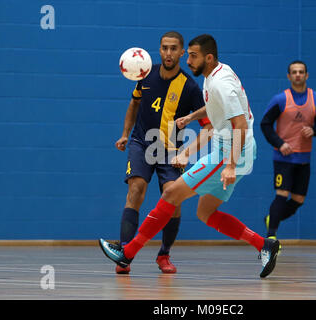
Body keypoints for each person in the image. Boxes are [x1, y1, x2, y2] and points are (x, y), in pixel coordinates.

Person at [99, 34, 280, 278]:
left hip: (230, 153)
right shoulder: (216, 74)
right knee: (205, 213)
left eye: (193, 56)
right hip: (235, 150)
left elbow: (240, 125)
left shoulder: (219, 84)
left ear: (208, 57)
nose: (189, 60)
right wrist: (191, 118)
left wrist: (230, 165)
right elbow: (217, 107)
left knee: (171, 193)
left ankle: (128, 252)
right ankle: (264, 245)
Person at [111, 31, 211, 274]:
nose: (168, 53)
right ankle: (125, 253)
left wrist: (186, 153)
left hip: (170, 151)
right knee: (135, 189)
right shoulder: (146, 75)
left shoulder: (189, 87)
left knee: (172, 199)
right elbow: (134, 103)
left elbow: (208, 127)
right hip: (141, 143)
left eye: (173, 48)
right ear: (159, 50)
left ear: (181, 52)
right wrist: (125, 133)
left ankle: (164, 254)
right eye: (164, 48)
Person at [260, 61, 316, 241]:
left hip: (304, 159)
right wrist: (279, 143)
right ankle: (271, 238)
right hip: (284, 158)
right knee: (281, 195)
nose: (298, 75)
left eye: (301, 72)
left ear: (307, 75)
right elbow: (265, 124)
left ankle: (271, 219)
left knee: (298, 200)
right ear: (288, 76)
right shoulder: (280, 100)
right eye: (294, 72)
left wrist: (314, 131)